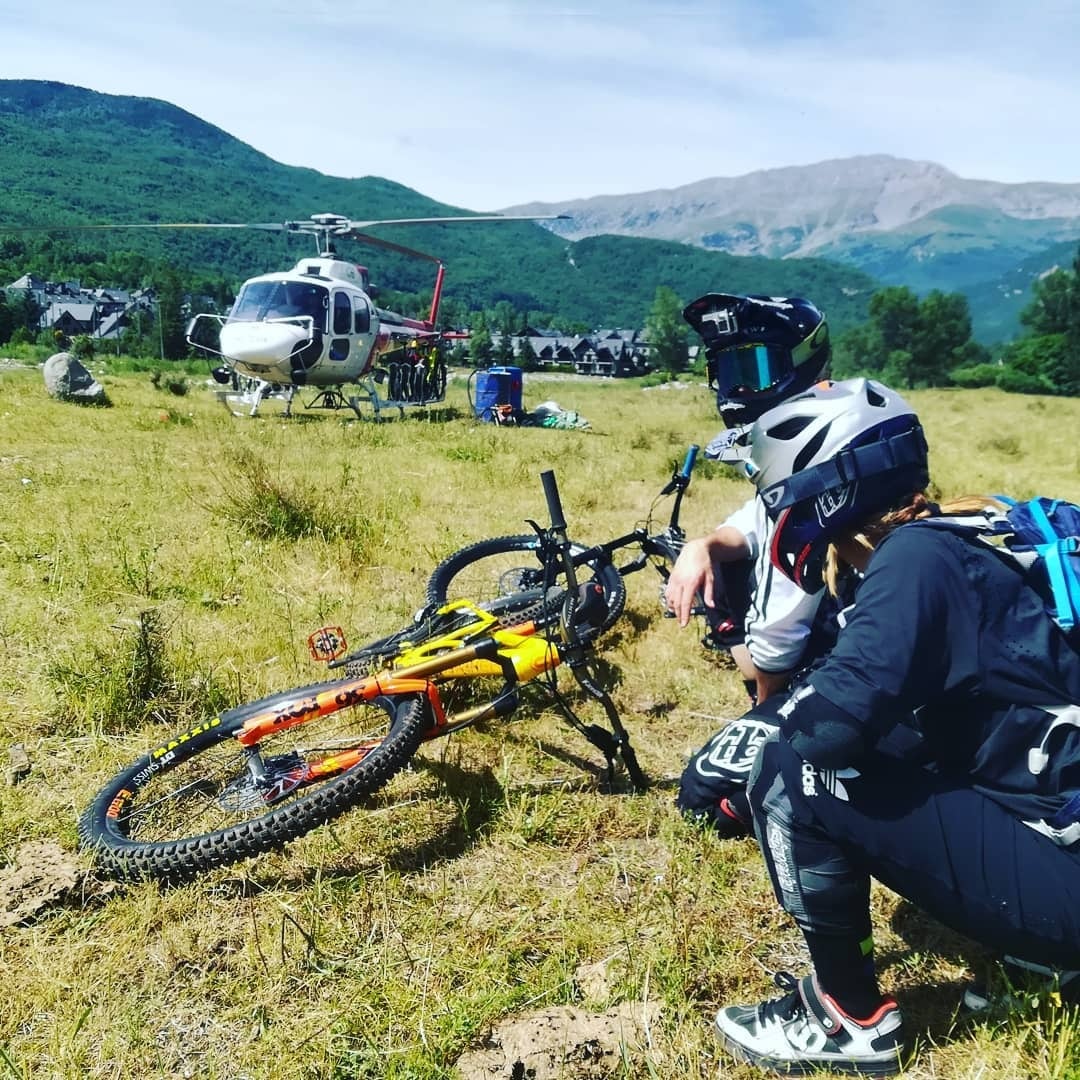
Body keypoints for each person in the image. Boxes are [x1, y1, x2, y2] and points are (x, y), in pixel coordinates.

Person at [711, 378, 1080, 1077]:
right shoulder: (981, 528)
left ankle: (844, 1019)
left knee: (794, 771)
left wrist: (747, 714)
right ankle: (1043, 957)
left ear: (822, 492)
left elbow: (822, 734)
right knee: (903, 739)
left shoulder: (912, 562)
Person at [669, 293, 835, 837]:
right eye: (726, 371)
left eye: (755, 368)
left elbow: (778, 640)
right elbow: (752, 522)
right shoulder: (821, 435)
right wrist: (702, 545)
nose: (737, 390)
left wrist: (765, 712)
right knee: (727, 563)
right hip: (864, 643)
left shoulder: (811, 469)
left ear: (803, 363)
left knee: (702, 801)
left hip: (859, 669)